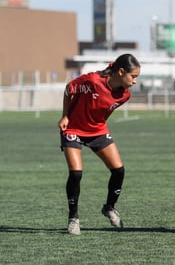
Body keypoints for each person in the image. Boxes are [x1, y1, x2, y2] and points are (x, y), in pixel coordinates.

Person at [57, 54, 141, 235]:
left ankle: (109, 208)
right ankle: (73, 218)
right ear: (121, 72)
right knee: (76, 173)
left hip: (98, 131)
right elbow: (68, 89)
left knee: (119, 170)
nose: (135, 81)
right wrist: (65, 116)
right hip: (73, 129)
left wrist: (100, 128)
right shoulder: (92, 80)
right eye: (133, 76)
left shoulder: (124, 95)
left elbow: (104, 111)